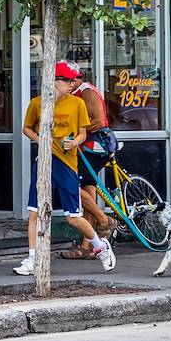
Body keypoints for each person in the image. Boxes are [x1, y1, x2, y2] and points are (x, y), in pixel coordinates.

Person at [16, 68, 116, 274]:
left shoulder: (77, 103)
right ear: (54, 81)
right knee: (34, 213)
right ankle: (32, 259)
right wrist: (40, 140)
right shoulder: (37, 103)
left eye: (73, 81)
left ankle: (100, 246)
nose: (72, 85)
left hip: (67, 163)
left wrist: (74, 142)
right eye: (68, 81)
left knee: (73, 217)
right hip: (43, 162)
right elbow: (26, 128)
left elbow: (82, 133)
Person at [57, 61, 117, 260]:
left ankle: (104, 219)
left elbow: (99, 121)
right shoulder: (69, 95)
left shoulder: (87, 91)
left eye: (62, 80)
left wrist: (75, 132)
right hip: (81, 146)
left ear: (73, 81)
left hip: (95, 145)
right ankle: (87, 246)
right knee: (88, 195)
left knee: (72, 184)